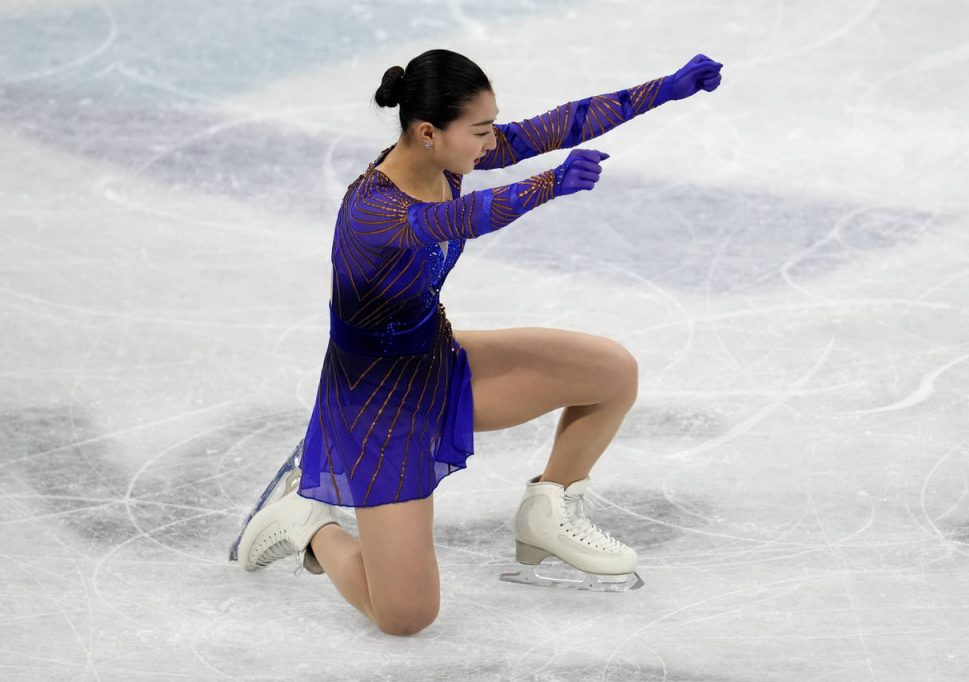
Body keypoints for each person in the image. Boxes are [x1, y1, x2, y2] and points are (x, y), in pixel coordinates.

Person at [229, 48, 723, 635]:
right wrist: (548, 184)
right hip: (376, 403)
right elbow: (454, 221)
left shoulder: (447, 160)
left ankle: (548, 511)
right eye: (481, 130)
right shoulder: (373, 210)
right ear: (428, 132)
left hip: (436, 358)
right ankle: (309, 524)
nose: (492, 142)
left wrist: (667, 88)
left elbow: (558, 125)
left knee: (611, 372)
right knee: (406, 615)